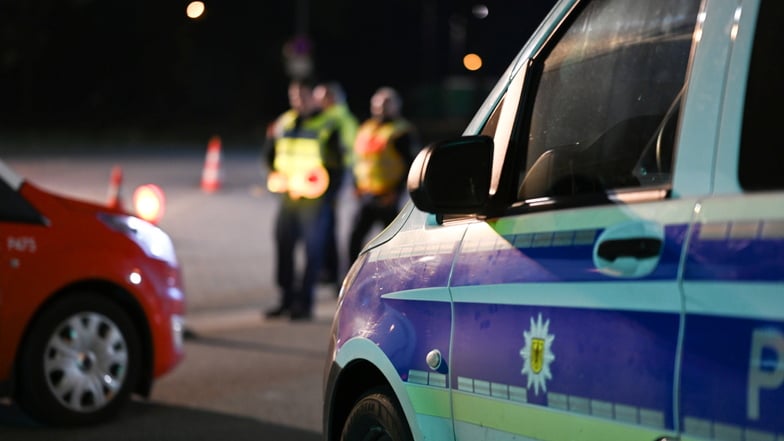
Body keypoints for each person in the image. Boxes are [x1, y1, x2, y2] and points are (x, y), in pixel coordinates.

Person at [263, 78, 344, 320]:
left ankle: (304, 303)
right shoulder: (285, 121)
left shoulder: (328, 125)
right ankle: (286, 299)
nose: (297, 101)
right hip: (288, 197)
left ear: (313, 97)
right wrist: (272, 174)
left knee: (313, 252)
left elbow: (337, 166)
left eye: (302, 96)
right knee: (283, 246)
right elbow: (270, 152)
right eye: (294, 96)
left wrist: (330, 196)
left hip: (315, 200)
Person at [348, 86, 419, 261]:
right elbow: (359, 160)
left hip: (388, 196)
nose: (381, 108)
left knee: (392, 241)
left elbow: (411, 165)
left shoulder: (401, 131)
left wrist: (397, 191)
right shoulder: (366, 128)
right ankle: (350, 275)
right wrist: (356, 185)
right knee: (355, 237)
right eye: (377, 104)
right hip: (366, 193)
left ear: (397, 106)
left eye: (387, 103)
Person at [312, 82, 358, 286]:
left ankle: (331, 272)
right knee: (326, 224)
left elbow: (348, 150)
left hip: (334, 175)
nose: (317, 102)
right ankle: (328, 271)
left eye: (321, 98)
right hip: (326, 175)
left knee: (328, 224)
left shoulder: (337, 119)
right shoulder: (338, 117)